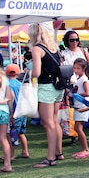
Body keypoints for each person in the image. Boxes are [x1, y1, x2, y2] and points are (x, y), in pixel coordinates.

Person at [28, 23, 65, 168]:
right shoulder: (54, 46)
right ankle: (58, 152)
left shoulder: (37, 49)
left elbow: (36, 73)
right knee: (54, 121)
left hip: (46, 87)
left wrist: (27, 72)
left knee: (48, 123)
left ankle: (50, 157)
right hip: (58, 86)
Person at [5, 64, 30, 159]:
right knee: (21, 133)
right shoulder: (21, 85)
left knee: (12, 133)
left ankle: (11, 154)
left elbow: (10, 98)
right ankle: (25, 151)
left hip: (14, 112)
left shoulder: (7, 85)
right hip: (22, 111)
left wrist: (11, 114)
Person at [70, 58, 89, 159]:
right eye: (74, 68)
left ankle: (86, 149)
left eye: (78, 68)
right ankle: (84, 148)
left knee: (78, 128)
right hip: (78, 106)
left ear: (83, 69)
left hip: (83, 106)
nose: (75, 70)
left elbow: (87, 93)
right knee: (77, 128)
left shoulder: (84, 80)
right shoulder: (78, 79)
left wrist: (74, 95)